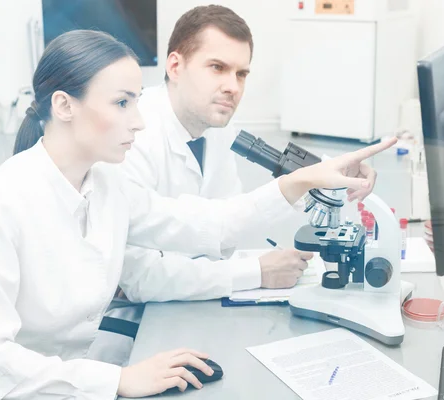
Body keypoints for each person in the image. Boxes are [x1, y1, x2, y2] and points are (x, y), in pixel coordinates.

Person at [0, 30, 395, 399]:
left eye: (136, 99)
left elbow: (204, 226)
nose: (140, 120)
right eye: (122, 103)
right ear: (64, 105)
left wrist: (303, 179)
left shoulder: (106, 185)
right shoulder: (1, 200)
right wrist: (115, 381)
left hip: (70, 386)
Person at [119, 5, 311, 304]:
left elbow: (228, 224)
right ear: (175, 67)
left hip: (192, 301)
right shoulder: (131, 137)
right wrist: (255, 272)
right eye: (217, 68)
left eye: (241, 74)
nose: (232, 87)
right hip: (139, 327)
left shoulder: (218, 126)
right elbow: (141, 277)